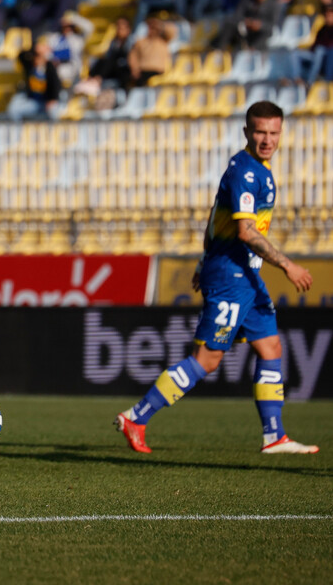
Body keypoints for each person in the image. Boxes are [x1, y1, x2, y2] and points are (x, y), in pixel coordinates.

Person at [115, 101, 318, 456]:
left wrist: (203, 258)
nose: (267, 139)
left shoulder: (258, 168)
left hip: (243, 273)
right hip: (231, 274)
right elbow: (245, 231)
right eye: (260, 132)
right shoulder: (247, 171)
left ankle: (274, 436)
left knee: (270, 347)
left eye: (273, 132)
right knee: (207, 359)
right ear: (246, 132)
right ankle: (137, 417)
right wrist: (287, 265)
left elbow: (214, 216)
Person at [4, 39, 61, 120]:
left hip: (46, 102)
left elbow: (55, 84)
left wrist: (52, 99)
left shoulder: (49, 66)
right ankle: (19, 131)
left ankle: (55, 132)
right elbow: (21, 55)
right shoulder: (30, 65)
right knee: (13, 109)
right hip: (33, 102)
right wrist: (34, 48)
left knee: (54, 111)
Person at [211, 0, 279, 51]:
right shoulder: (247, 1)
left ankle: (253, 49)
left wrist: (260, 25)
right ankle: (218, 50)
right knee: (229, 23)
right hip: (246, 30)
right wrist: (247, 22)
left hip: (261, 33)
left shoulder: (274, 4)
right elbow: (237, 16)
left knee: (266, 32)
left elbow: (273, 24)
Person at [127, 16, 175, 87]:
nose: (153, 30)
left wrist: (161, 24)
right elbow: (133, 56)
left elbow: (172, 31)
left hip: (159, 72)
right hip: (143, 71)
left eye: (155, 28)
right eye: (151, 27)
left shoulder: (164, 41)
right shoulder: (140, 42)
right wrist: (134, 69)